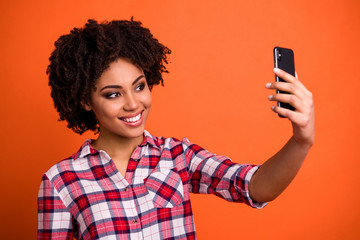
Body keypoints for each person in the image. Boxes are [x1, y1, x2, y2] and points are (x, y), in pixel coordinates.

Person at [38, 19, 314, 240]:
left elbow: (255, 186)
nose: (134, 104)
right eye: (113, 94)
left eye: (139, 86)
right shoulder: (61, 182)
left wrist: (301, 140)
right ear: (86, 100)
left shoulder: (176, 156)